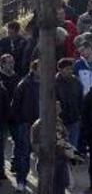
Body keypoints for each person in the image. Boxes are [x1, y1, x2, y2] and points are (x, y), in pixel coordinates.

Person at [10, 59, 39, 192]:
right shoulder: (24, 84)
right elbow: (15, 105)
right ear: (33, 69)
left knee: (43, 155)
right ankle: (21, 182)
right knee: (24, 155)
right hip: (26, 123)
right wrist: (18, 122)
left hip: (43, 124)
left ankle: (44, 182)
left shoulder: (49, 83)